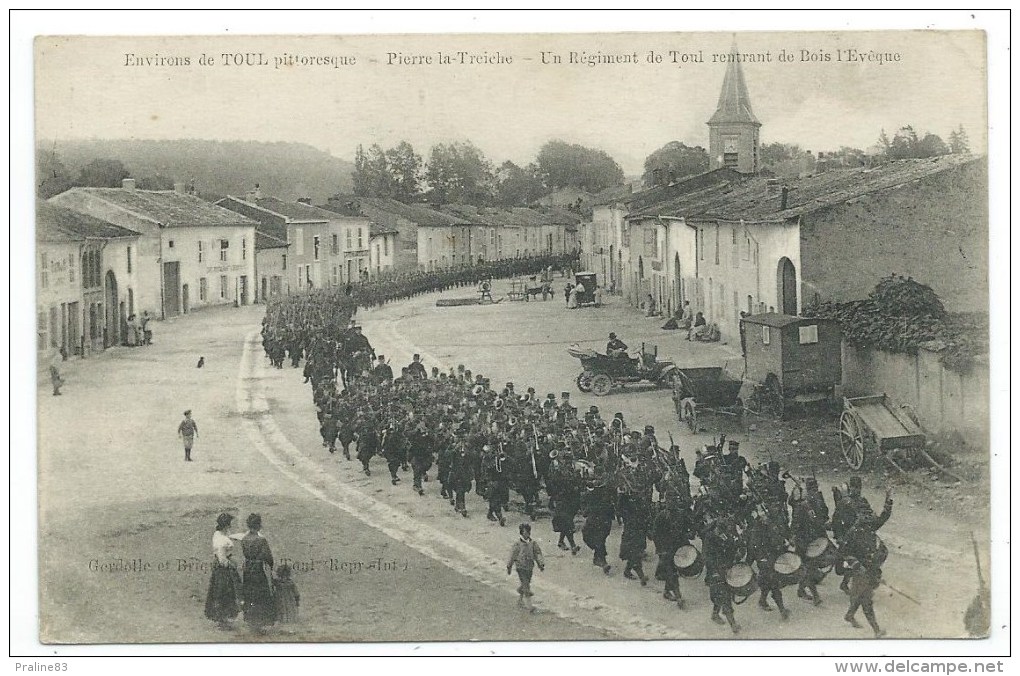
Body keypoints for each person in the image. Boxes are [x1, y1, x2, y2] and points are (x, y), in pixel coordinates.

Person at [204, 513, 242, 630]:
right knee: (224, 593)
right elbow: (222, 560)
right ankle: (223, 621)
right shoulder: (221, 540)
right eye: (229, 524)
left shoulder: (218, 534)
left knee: (221, 593)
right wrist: (233, 565)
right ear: (226, 525)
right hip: (223, 570)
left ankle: (223, 620)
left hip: (220, 568)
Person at [241, 513, 275, 634]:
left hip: (248, 568)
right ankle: (259, 623)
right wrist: (270, 565)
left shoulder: (244, 539)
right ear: (259, 525)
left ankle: (251, 621)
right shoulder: (261, 540)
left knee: (249, 594)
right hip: (258, 569)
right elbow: (269, 558)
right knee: (260, 595)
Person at [507, 523, 545, 610]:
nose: (527, 534)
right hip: (520, 567)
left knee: (525, 583)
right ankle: (529, 606)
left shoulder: (533, 543)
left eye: (528, 532)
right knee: (526, 585)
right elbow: (512, 555)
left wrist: (541, 564)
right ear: (521, 533)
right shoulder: (517, 544)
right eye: (525, 532)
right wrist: (509, 566)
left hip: (529, 567)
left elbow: (537, 554)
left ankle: (520, 599)